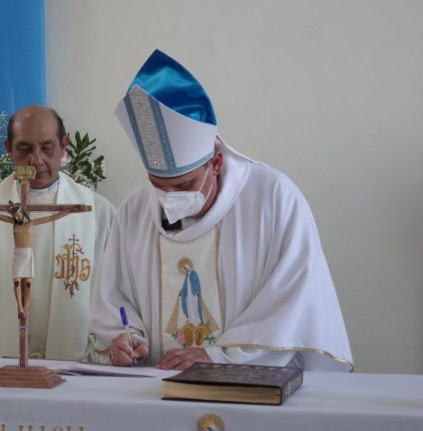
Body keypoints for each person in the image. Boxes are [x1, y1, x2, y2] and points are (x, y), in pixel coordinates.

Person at [90, 50, 353, 372]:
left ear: (215, 162)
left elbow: (294, 297)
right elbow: (114, 296)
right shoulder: (135, 208)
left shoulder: (273, 197)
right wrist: (125, 335)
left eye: (183, 185)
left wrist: (219, 355)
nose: (169, 197)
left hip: (254, 383)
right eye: (159, 184)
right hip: (157, 385)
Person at [0, 105, 116, 362]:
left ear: (64, 145)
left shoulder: (97, 214)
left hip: (76, 369)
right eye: (24, 148)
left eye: (47, 147)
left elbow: (115, 299)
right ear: (8, 148)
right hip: (0, 366)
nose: (36, 160)